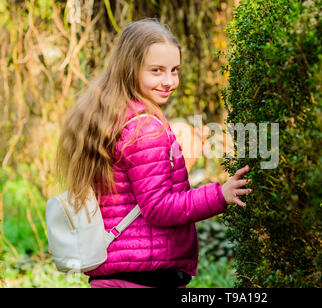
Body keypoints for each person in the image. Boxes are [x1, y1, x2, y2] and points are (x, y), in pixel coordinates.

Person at [55, 18, 252, 288]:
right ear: (130, 69)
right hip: (145, 276)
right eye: (157, 71)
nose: (169, 81)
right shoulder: (144, 127)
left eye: (174, 70)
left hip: (118, 274)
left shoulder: (112, 118)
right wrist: (220, 195)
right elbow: (158, 208)